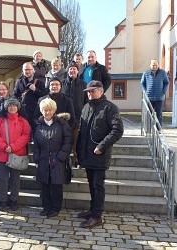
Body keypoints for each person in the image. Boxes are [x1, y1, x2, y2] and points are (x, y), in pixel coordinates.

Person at [76, 80, 124, 228]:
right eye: (88, 91)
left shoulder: (110, 108)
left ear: (101, 91)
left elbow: (117, 130)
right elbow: (82, 133)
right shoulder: (85, 108)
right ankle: (92, 210)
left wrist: (102, 146)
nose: (90, 93)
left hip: (99, 155)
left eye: (93, 91)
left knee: (98, 185)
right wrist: (78, 153)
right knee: (91, 184)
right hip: (87, 155)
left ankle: (97, 216)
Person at [33, 98, 73, 218]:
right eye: (45, 110)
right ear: (42, 111)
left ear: (54, 110)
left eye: (49, 110)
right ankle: (46, 207)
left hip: (58, 158)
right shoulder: (39, 125)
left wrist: (61, 156)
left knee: (56, 185)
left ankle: (55, 208)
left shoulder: (62, 123)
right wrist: (37, 158)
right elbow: (36, 144)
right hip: (44, 159)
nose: (47, 113)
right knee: (44, 184)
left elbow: (68, 141)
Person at [0, 97, 31, 211]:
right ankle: (2, 200)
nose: (12, 107)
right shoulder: (0, 120)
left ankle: (14, 200)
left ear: (18, 107)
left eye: (14, 105)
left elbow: (26, 136)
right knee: (2, 179)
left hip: (16, 154)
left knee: (15, 179)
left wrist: (13, 147)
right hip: (2, 153)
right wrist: (4, 146)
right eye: (10, 105)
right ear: (6, 107)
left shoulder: (23, 121)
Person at [61, 62, 88, 167]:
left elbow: (86, 101)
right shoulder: (62, 83)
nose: (72, 71)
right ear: (68, 71)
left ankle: (75, 159)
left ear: (78, 71)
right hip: (64, 118)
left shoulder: (83, 84)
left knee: (76, 141)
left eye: (74, 69)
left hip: (78, 118)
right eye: (70, 69)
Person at [13, 62, 47, 131]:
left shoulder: (39, 82)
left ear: (33, 70)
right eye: (25, 70)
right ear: (23, 70)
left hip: (36, 112)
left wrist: (35, 89)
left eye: (29, 69)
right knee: (23, 131)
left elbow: (44, 96)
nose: (27, 71)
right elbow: (15, 95)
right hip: (23, 111)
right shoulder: (19, 82)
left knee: (36, 132)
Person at [140, 59, 169, 129]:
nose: (154, 66)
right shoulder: (146, 73)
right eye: (153, 65)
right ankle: (148, 129)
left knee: (159, 114)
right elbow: (142, 83)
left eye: (156, 65)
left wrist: (164, 91)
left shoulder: (163, 73)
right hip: (149, 97)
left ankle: (159, 129)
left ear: (158, 65)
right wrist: (145, 91)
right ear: (150, 65)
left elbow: (166, 82)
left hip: (159, 97)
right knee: (149, 114)